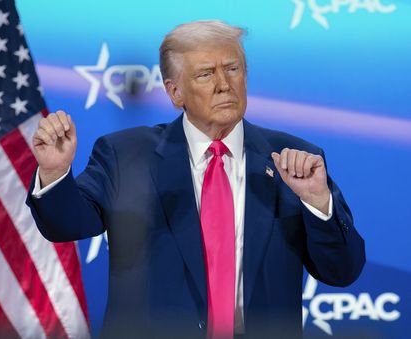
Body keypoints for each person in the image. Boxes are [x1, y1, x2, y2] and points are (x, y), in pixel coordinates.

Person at [26, 20, 365, 339]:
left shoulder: (293, 159)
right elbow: (67, 225)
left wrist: (318, 202)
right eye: (206, 74)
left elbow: (342, 271)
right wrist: (55, 173)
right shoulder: (126, 155)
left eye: (232, 69)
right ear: (175, 92)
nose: (223, 84)